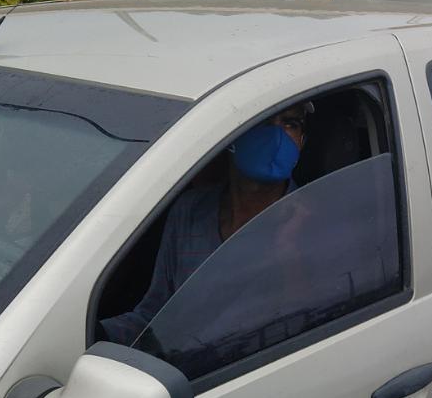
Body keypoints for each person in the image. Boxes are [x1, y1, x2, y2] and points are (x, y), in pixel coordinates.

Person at [100, 102, 310, 345]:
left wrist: (290, 257)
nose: (277, 136)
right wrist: (95, 337)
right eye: (263, 123)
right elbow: (154, 315)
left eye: (290, 124)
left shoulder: (312, 223)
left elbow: (308, 329)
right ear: (230, 137)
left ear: (302, 140)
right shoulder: (190, 210)